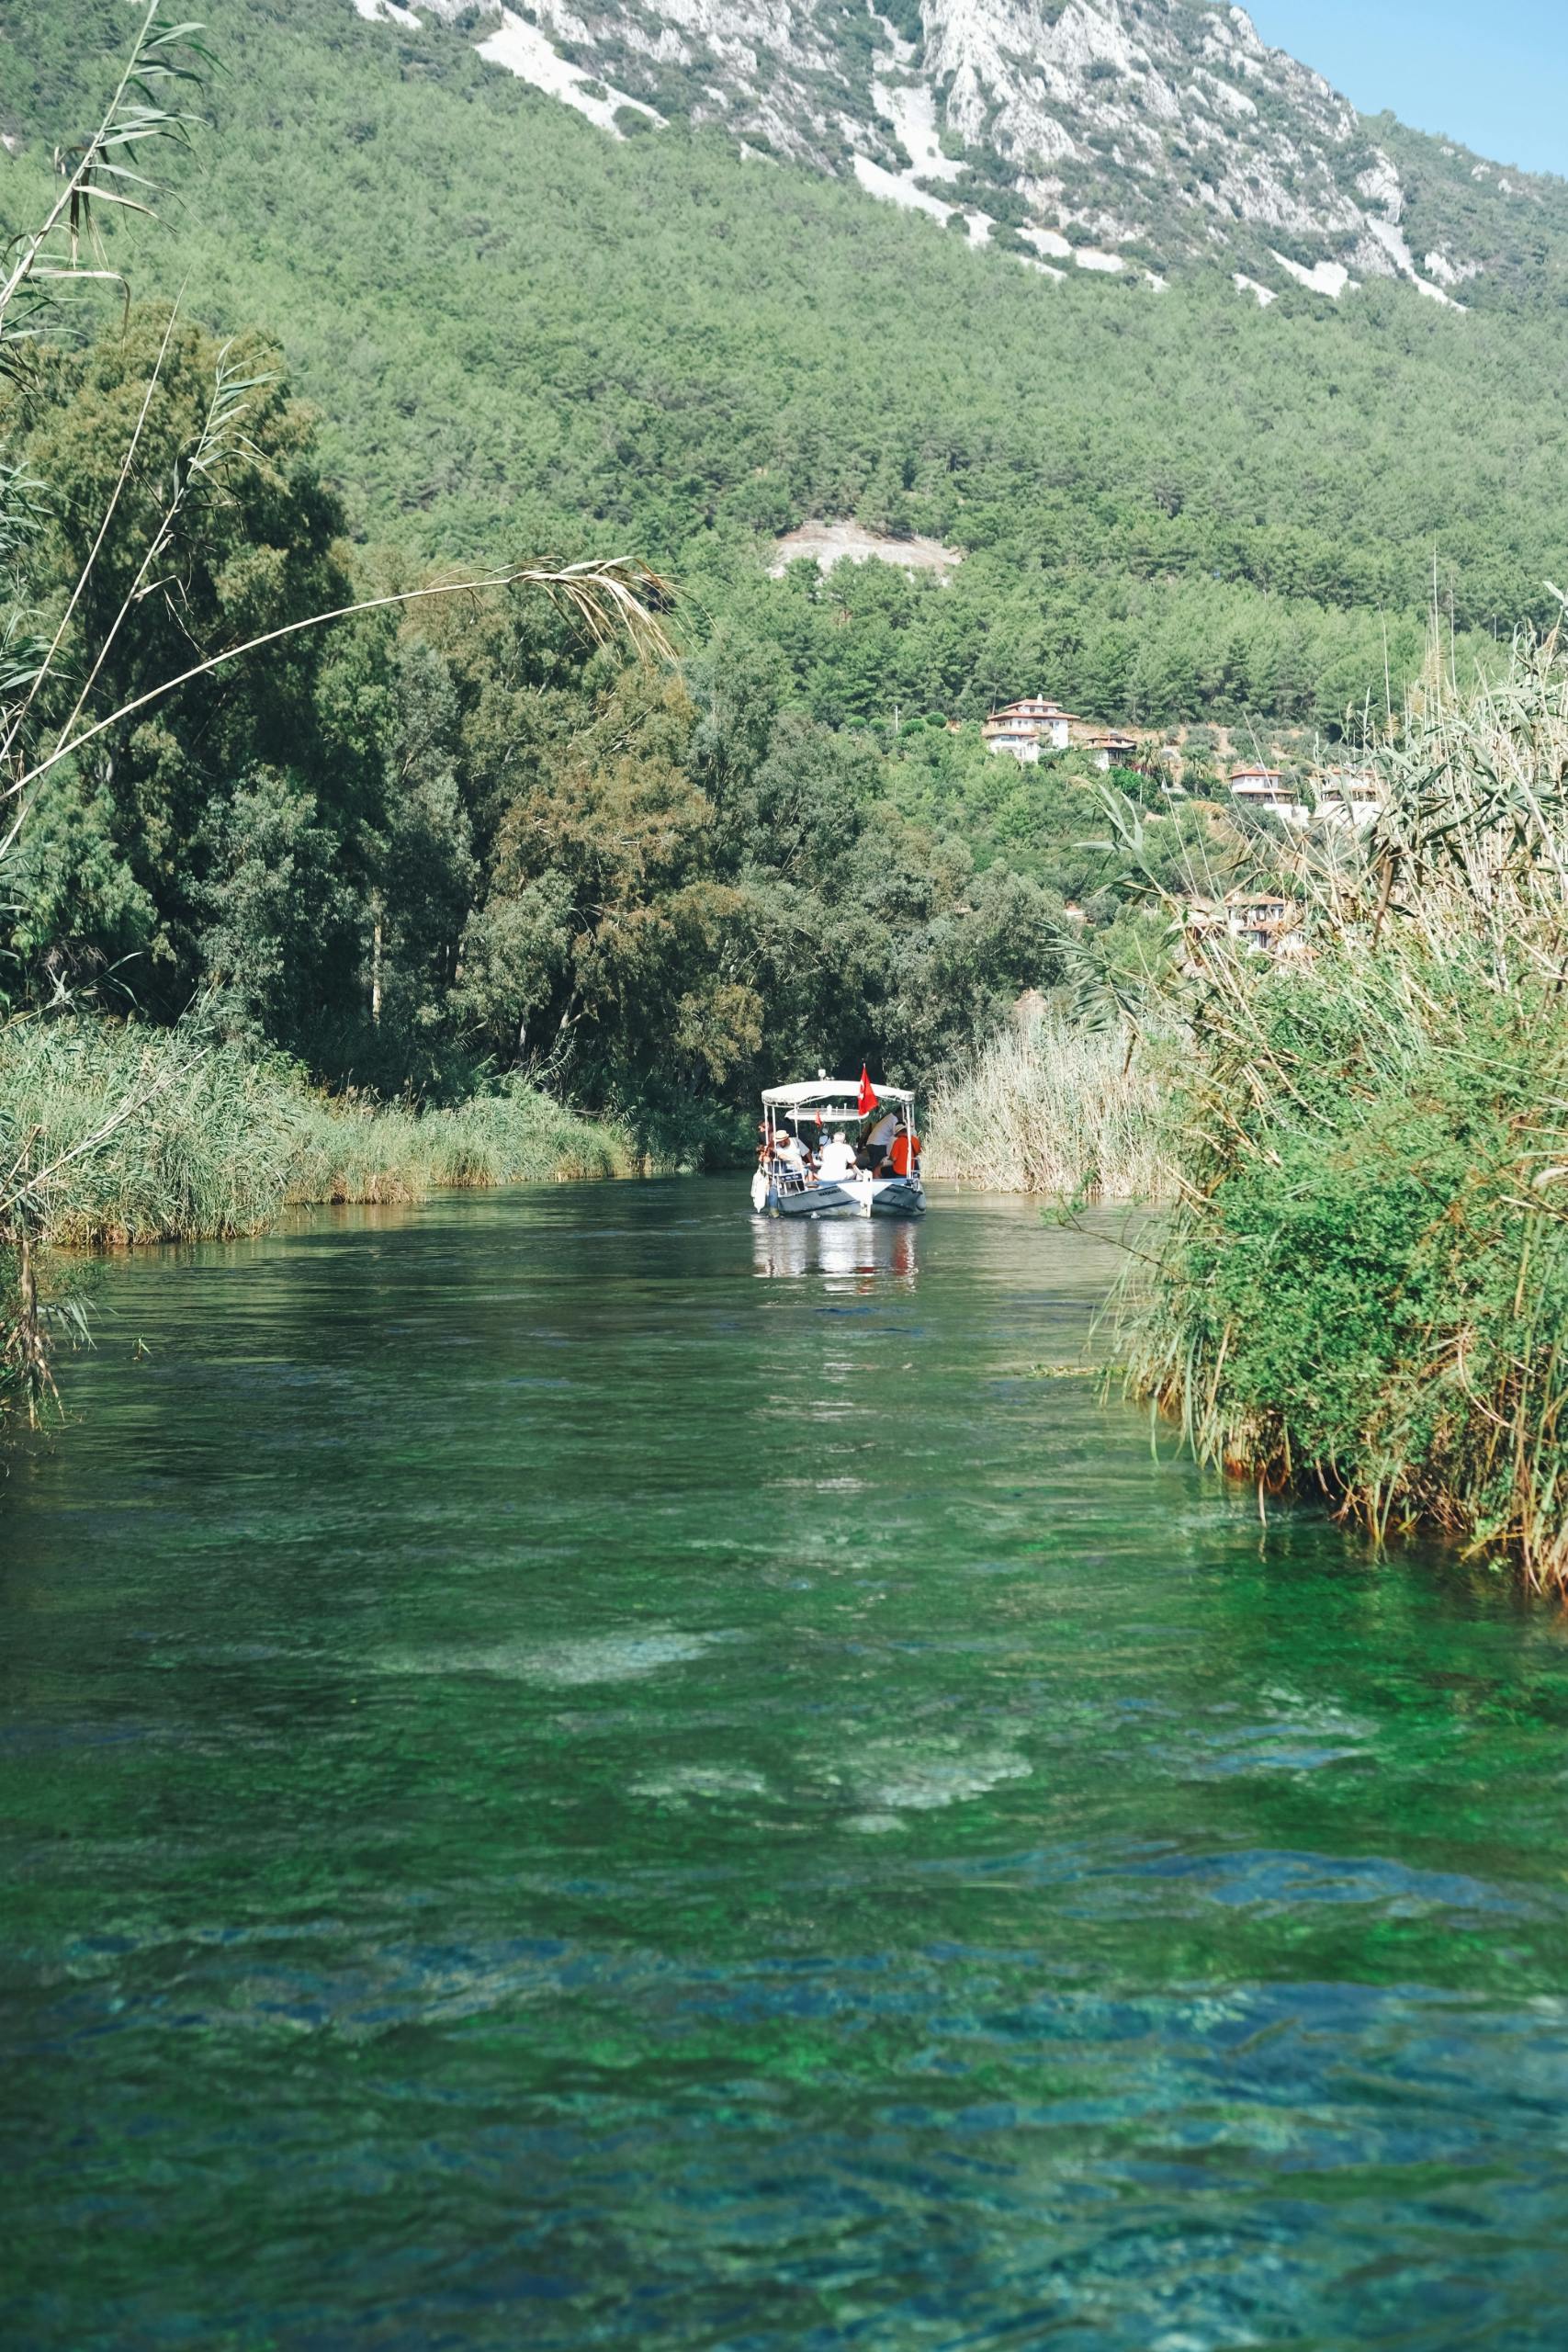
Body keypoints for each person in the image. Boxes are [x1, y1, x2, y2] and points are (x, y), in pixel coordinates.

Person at [890, 1114, 921, 1180]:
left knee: (878, 1170)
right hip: (913, 1169)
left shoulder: (898, 1142)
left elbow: (894, 1158)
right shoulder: (915, 1140)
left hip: (900, 1172)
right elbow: (918, 1152)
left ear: (898, 1133)